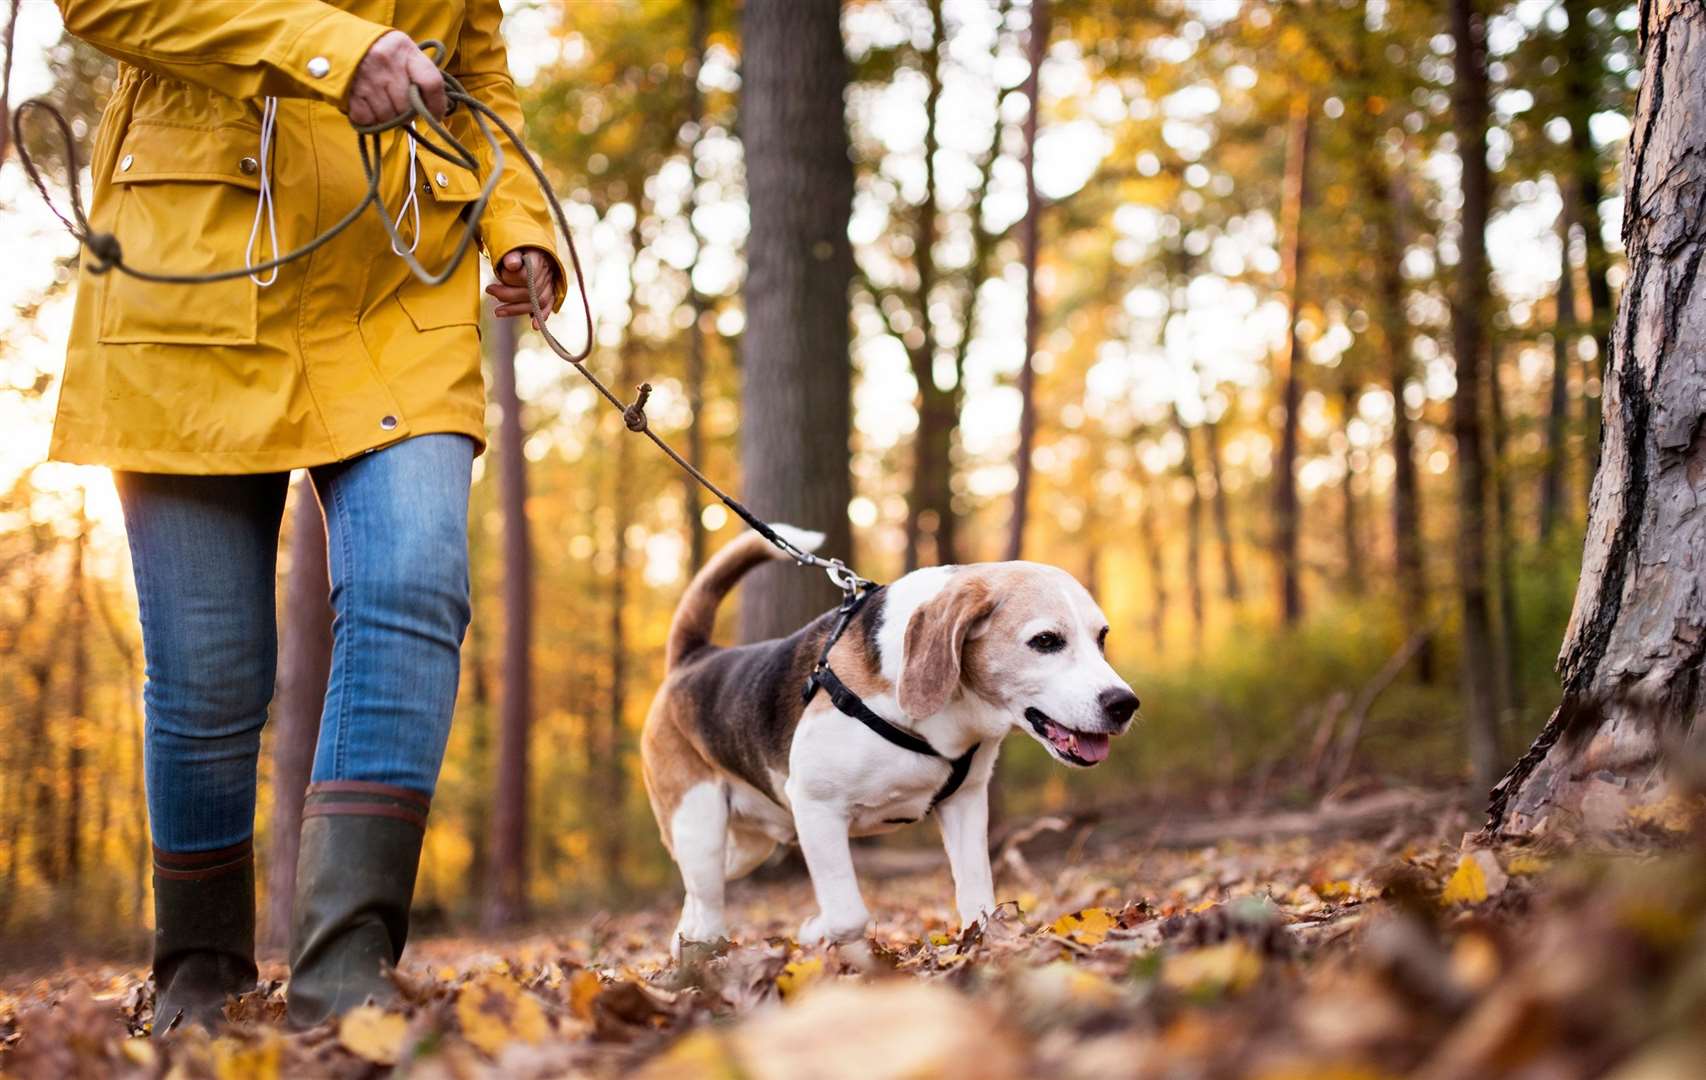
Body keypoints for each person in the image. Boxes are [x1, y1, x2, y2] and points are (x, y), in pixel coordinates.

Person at [49, 1, 563, 1031]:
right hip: (190, 271)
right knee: (208, 672)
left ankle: (346, 974)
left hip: (394, 282)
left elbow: (475, 75)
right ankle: (198, 976)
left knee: (413, 582)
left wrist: (519, 226)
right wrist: (328, 49)